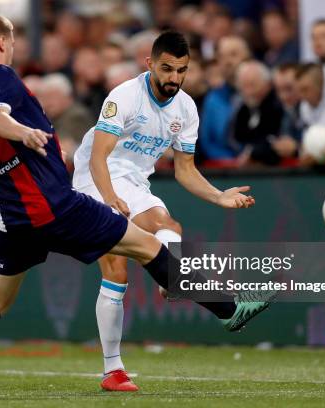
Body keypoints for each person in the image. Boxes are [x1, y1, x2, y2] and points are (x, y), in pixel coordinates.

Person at [0, 13, 270, 398]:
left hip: (11, 218)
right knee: (150, 247)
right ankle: (229, 310)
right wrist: (25, 132)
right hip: (57, 205)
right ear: (5, 42)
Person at [72, 31, 265, 392]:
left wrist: (220, 196)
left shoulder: (186, 108)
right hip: (94, 181)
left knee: (167, 224)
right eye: (166, 69)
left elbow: (185, 170)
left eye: (181, 70)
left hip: (134, 182)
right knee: (116, 266)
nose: (174, 78)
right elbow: (98, 156)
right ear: (149, 64)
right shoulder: (124, 97)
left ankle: (171, 280)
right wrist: (110, 197)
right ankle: (113, 370)